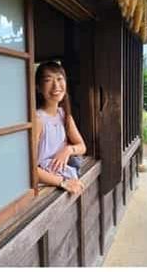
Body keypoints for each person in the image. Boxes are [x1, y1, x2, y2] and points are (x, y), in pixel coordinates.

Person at [35, 61, 87, 196]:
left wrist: (68, 149)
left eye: (59, 79)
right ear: (38, 87)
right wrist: (63, 182)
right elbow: (29, 169)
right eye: (48, 80)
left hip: (64, 175)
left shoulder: (63, 115)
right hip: (48, 183)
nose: (56, 85)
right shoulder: (37, 120)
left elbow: (82, 146)